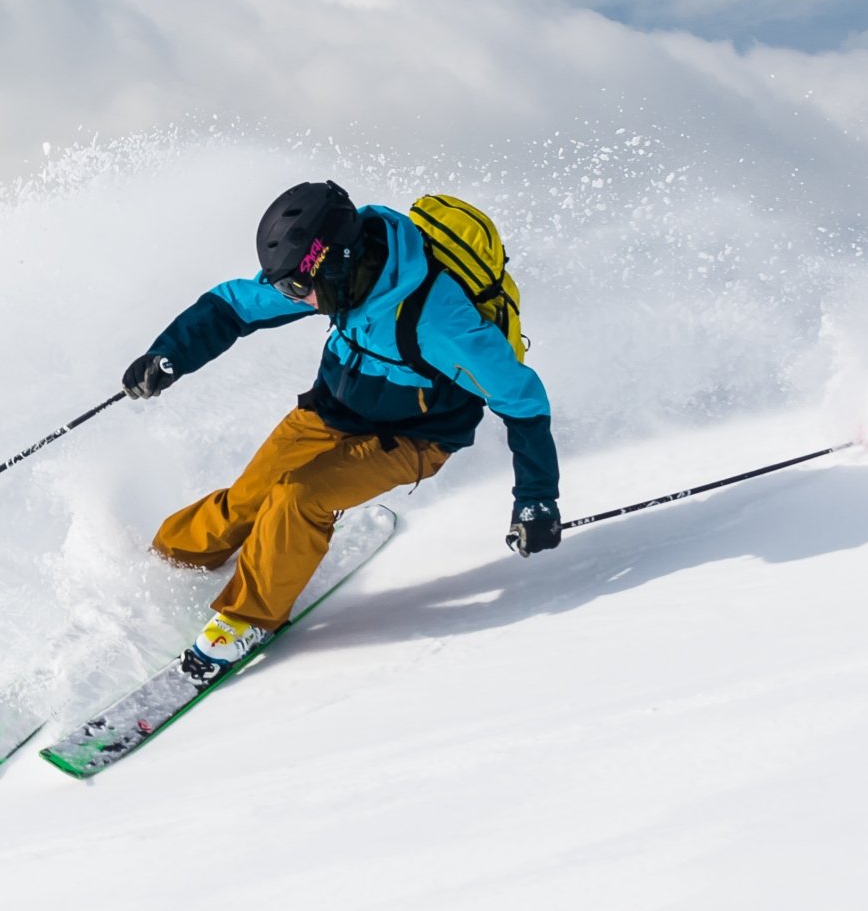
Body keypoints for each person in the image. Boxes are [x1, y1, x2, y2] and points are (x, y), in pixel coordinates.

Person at [122, 180, 560, 681]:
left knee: (297, 497)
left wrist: (537, 498)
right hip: (333, 408)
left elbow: (522, 399)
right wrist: (170, 355)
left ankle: (248, 617)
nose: (295, 298)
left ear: (335, 261)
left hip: (416, 436)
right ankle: (167, 561)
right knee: (251, 496)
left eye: (296, 287)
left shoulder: (439, 321)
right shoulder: (336, 279)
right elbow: (235, 305)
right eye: (288, 287)